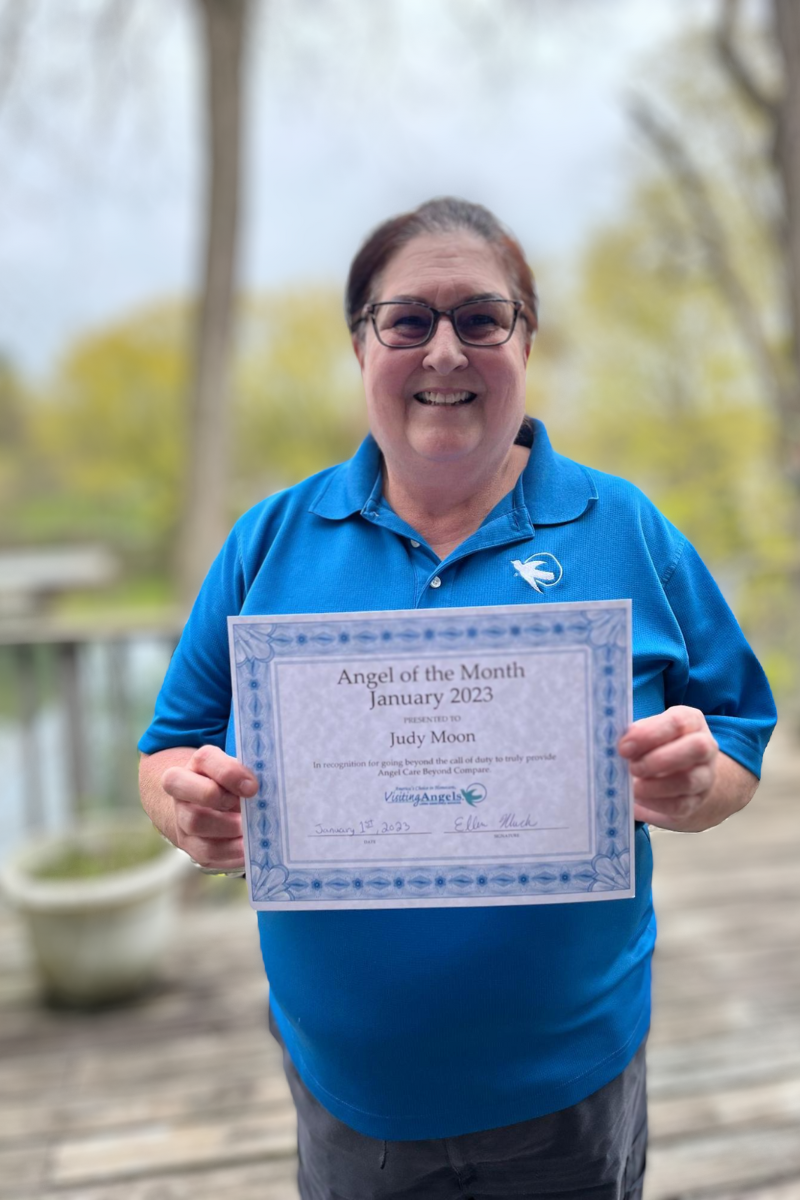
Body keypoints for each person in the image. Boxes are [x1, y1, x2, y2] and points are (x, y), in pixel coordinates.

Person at [139, 197, 777, 1200]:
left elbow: (737, 727)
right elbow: (169, 744)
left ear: (525, 340)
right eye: (407, 320)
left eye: (480, 318)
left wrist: (704, 783)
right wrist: (185, 802)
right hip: (352, 1094)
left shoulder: (626, 528)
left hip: (571, 1085)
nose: (443, 350)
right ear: (362, 346)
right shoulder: (267, 542)